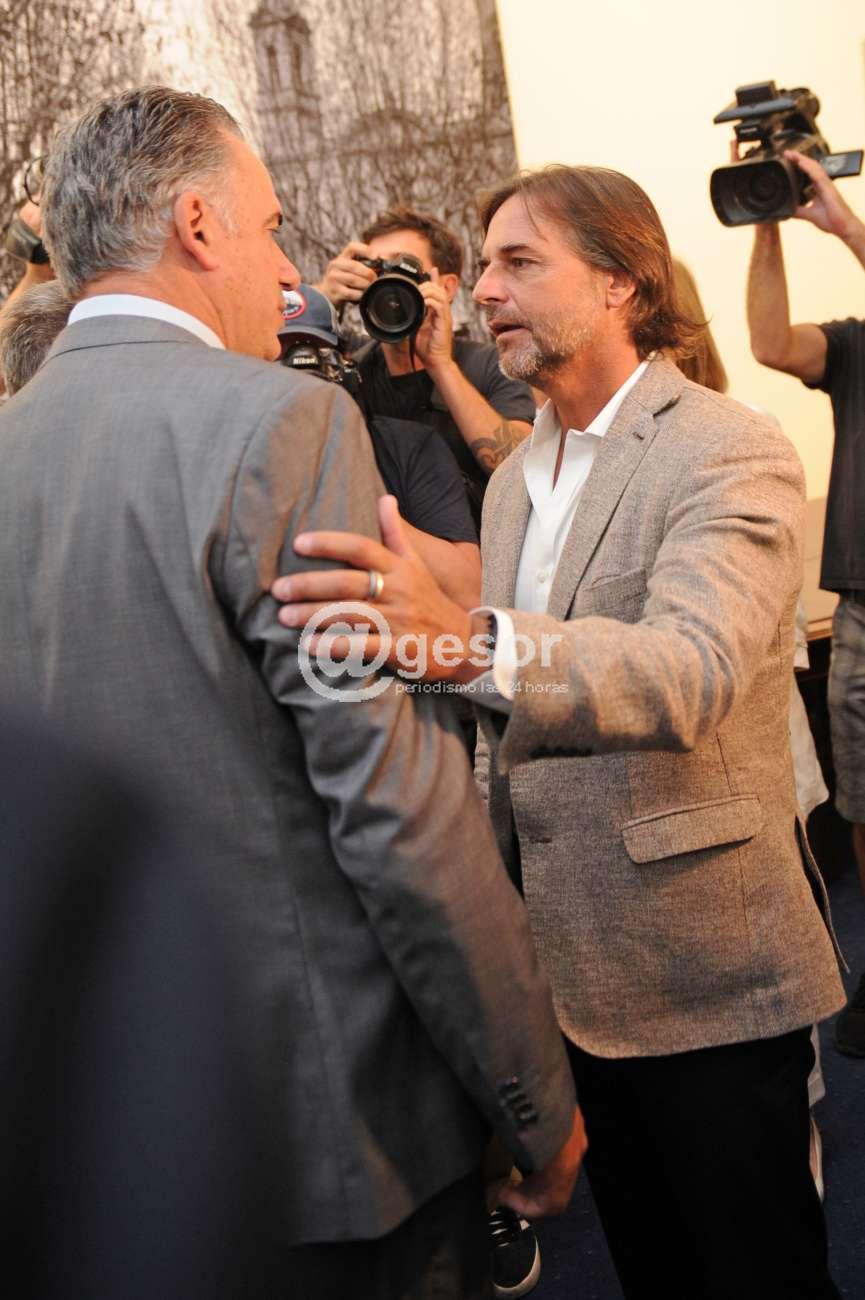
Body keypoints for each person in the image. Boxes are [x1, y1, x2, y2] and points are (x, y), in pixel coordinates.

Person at [0, 88, 586, 1300]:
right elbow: (394, 810)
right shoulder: (288, 425)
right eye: (270, 229)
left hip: (97, 1144)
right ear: (197, 223)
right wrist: (533, 1099)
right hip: (333, 1147)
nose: (286, 273)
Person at [272, 163, 846, 1300]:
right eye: (483, 264)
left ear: (621, 282)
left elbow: (689, 671)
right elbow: (517, 715)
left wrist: (465, 642)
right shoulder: (513, 482)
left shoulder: (724, 446)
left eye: (518, 262)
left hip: (706, 982)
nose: (482, 291)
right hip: (571, 988)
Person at [745, 147, 865, 1060]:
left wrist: (846, 226)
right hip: (860, 602)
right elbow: (770, 343)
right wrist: (768, 222)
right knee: (861, 800)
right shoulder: (854, 346)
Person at [317, 205, 535, 524]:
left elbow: (524, 469)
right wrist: (322, 300)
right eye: (376, 270)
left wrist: (441, 365)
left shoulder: (491, 363)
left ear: (446, 287)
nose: (386, 284)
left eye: (402, 268)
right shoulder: (348, 366)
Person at [279, 282, 481, 608]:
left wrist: (350, 483)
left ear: (347, 365)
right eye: (279, 356)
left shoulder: (408, 445)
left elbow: (469, 592)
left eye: (318, 354)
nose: (300, 370)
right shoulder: (235, 450)